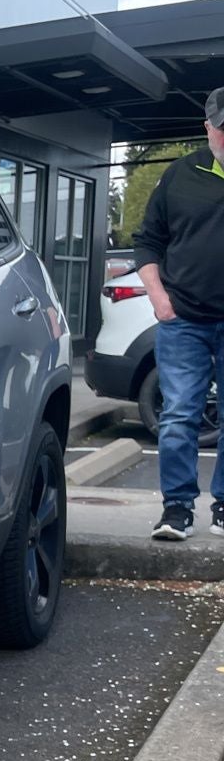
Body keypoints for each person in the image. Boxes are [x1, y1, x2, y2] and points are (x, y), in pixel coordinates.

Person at [135, 87, 224, 540]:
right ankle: (177, 509)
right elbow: (147, 239)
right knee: (178, 415)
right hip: (184, 317)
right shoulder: (180, 175)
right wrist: (159, 298)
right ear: (208, 127)